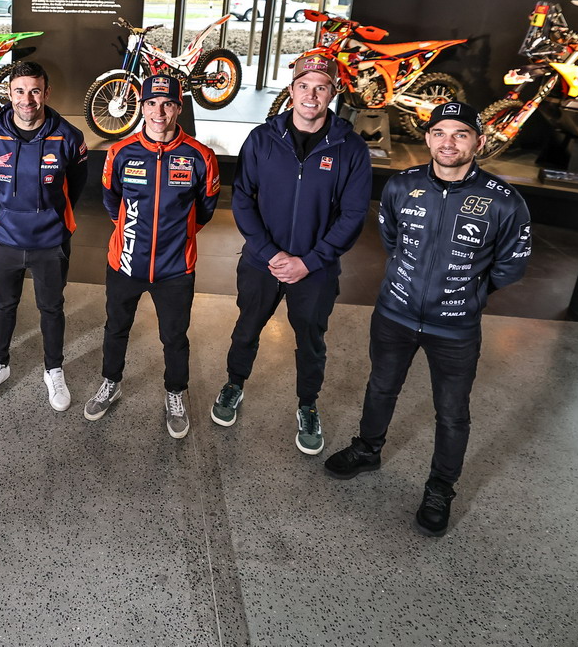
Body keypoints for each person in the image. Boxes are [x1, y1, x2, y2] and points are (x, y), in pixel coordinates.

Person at [325, 101, 531, 537]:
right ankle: (368, 449)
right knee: (381, 387)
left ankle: (440, 488)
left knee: (452, 412)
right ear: (427, 138)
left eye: (460, 134)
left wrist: (470, 293)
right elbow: (392, 239)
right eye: (439, 133)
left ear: (479, 141)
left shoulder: (504, 201)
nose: (448, 142)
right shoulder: (403, 185)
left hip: (454, 327)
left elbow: (511, 265)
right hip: (394, 313)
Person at [211, 52, 372, 455]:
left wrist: (309, 262)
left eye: (321, 88)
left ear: (333, 93)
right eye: (304, 86)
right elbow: (242, 198)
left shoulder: (351, 148)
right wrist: (269, 254)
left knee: (312, 340)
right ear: (291, 89)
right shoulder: (262, 139)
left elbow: (353, 215)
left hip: (316, 269)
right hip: (261, 262)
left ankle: (308, 404)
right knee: (247, 328)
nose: (311, 95)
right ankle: (234, 384)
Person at [84, 74, 220, 439]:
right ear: (141, 107)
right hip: (125, 263)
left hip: (176, 269)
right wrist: (132, 232)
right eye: (151, 104)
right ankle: (111, 383)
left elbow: (206, 209)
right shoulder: (120, 152)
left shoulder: (200, 156)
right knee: (116, 328)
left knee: (174, 337)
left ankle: (175, 393)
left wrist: (178, 237)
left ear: (178, 108)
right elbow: (111, 199)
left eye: (167, 104)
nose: (159, 113)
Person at [0, 61, 89, 411]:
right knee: (3, 305)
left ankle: (54, 370)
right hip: (4, 239)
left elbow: (76, 187)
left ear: (46, 93)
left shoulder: (69, 136)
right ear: (9, 93)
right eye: (20, 91)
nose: (27, 99)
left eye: (35, 91)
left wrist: (50, 215)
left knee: (51, 308)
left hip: (50, 242)